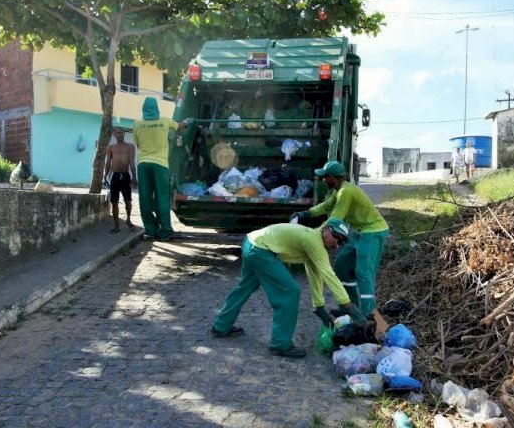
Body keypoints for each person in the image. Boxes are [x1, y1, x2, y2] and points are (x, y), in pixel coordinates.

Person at [211, 219, 366, 358]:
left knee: (245, 287)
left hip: (251, 242)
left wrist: (319, 306)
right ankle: (280, 344)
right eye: (336, 236)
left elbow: (316, 274)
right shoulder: (313, 240)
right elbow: (329, 275)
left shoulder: (314, 242)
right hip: (261, 250)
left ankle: (221, 326)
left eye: (341, 241)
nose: (337, 243)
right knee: (290, 292)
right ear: (325, 229)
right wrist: (349, 306)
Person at [290, 161, 390, 317]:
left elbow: (335, 219)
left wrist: (314, 234)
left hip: (373, 231)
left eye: (325, 177)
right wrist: (306, 214)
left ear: (332, 178)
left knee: (364, 273)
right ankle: (350, 307)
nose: (323, 180)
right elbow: (326, 206)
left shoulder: (346, 192)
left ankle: (369, 314)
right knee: (342, 266)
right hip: (359, 232)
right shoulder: (339, 190)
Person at [133, 97, 186, 241]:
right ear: (156, 108)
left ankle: (150, 230)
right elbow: (179, 125)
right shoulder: (165, 121)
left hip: (143, 164)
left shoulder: (137, 124)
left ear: (144, 108)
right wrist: (187, 122)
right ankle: (166, 231)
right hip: (160, 165)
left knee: (144, 198)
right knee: (162, 197)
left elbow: (137, 145)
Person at [104, 127, 137, 234]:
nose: (120, 135)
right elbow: (108, 162)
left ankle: (128, 219)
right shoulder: (110, 147)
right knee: (114, 202)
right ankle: (117, 225)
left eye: (121, 133)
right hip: (115, 176)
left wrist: (134, 177)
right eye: (117, 133)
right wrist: (105, 176)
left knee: (128, 200)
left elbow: (132, 162)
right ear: (114, 134)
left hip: (125, 175)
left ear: (124, 133)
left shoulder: (130, 147)